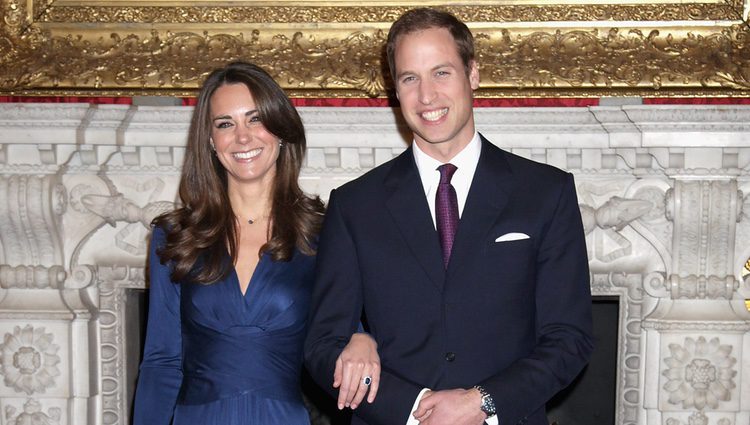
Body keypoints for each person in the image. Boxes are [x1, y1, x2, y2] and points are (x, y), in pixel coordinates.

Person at [304, 8, 594, 425]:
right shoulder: (354, 205)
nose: (427, 96)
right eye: (410, 78)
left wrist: (482, 402)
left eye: (441, 73)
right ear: (395, 90)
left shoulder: (546, 193)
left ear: (472, 74)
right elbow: (322, 345)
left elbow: (570, 339)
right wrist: (413, 405)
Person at [132, 61, 379, 425]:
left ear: (280, 130)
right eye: (225, 124)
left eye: (255, 118)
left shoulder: (324, 233)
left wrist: (365, 340)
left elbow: (347, 330)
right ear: (211, 142)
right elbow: (161, 361)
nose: (242, 137)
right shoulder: (174, 237)